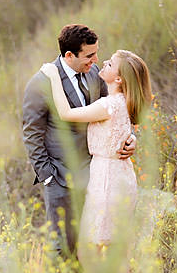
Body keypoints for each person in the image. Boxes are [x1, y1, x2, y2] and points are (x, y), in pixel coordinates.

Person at [39, 50, 153, 273]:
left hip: (107, 181)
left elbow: (66, 113)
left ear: (120, 78)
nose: (104, 63)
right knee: (117, 249)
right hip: (121, 175)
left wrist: (53, 75)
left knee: (89, 251)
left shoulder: (109, 105)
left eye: (111, 63)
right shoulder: (122, 101)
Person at [22, 24, 136, 258]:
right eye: (89, 55)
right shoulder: (40, 83)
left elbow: (115, 112)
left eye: (96, 53)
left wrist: (131, 138)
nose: (96, 60)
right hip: (61, 176)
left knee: (91, 245)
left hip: (98, 174)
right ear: (69, 55)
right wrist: (48, 175)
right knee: (62, 245)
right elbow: (31, 133)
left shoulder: (95, 73)